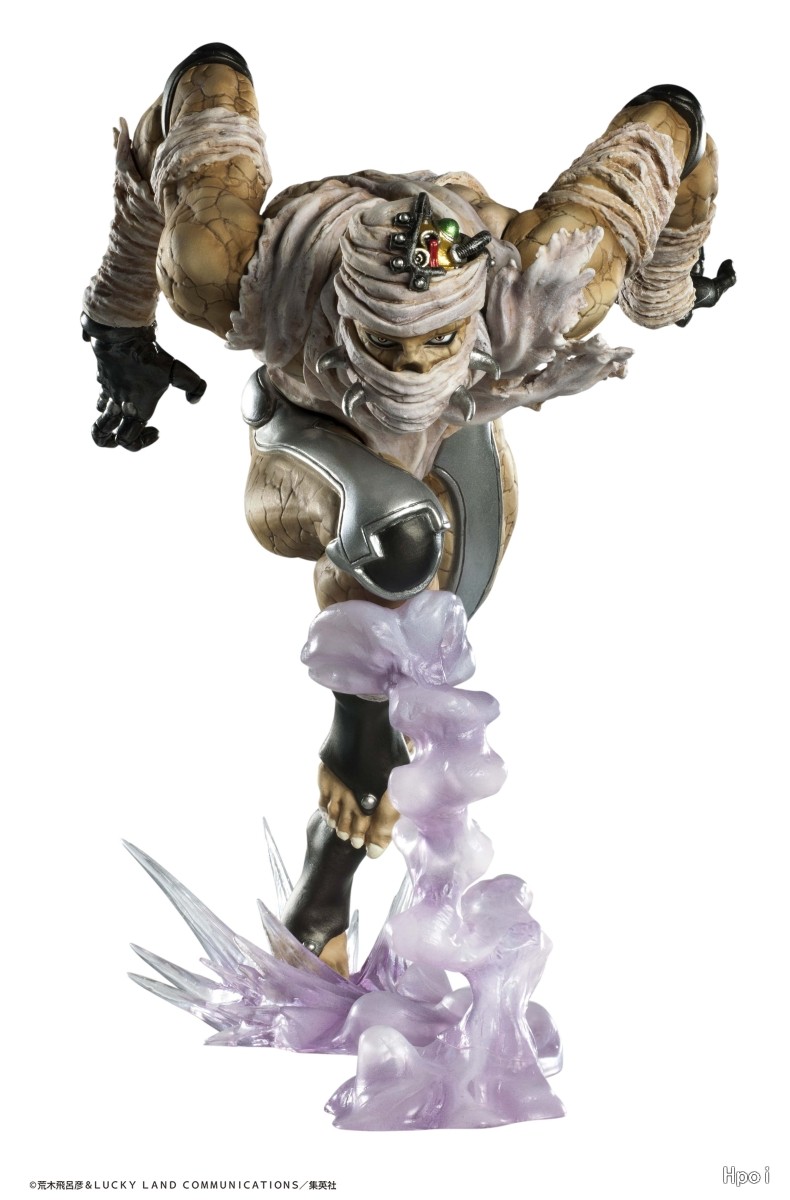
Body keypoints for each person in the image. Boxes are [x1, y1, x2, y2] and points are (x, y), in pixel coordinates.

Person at [82, 43, 734, 975]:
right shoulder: (228, 269)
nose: (408, 370)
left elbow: (677, 122)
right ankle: (350, 781)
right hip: (305, 426)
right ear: (346, 316)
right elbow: (203, 82)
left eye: (431, 345)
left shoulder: (549, 283)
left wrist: (668, 286)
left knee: (435, 617)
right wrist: (120, 315)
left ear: (475, 318)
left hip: (463, 415)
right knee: (399, 543)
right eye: (386, 347)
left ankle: (337, 856)